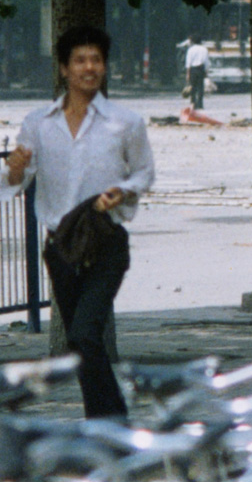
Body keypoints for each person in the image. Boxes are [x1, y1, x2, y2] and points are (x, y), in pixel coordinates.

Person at [0, 26, 155, 419]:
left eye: (96, 60)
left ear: (104, 67)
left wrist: (122, 192)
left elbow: (143, 174)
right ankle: (104, 425)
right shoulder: (39, 123)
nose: (90, 68)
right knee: (81, 344)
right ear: (64, 69)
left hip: (106, 244)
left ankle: (113, 425)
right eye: (80, 60)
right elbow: (18, 180)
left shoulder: (126, 122)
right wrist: (15, 169)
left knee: (86, 335)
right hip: (61, 248)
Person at [185, 33, 209, 110]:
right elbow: (206, 61)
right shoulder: (204, 49)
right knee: (200, 87)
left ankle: (193, 103)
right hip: (201, 69)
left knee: (193, 87)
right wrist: (206, 71)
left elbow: (188, 62)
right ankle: (200, 104)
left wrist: (188, 74)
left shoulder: (191, 50)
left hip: (193, 69)